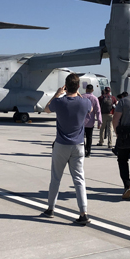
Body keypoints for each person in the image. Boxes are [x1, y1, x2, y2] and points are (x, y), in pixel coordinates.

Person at [42, 73, 92, 225]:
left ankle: (51, 209)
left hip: (61, 144)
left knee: (56, 178)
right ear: (78, 86)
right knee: (79, 179)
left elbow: (46, 109)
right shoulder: (85, 102)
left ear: (65, 86)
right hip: (78, 145)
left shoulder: (60, 102)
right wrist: (78, 95)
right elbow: (88, 109)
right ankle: (83, 212)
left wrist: (57, 94)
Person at [82, 84, 102, 157]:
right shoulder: (95, 98)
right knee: (89, 137)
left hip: (81, 121)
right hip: (90, 121)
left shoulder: (81, 97)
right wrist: (99, 122)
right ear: (92, 90)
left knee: (81, 137)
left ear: (86, 89)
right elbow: (98, 111)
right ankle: (88, 152)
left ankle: (83, 150)